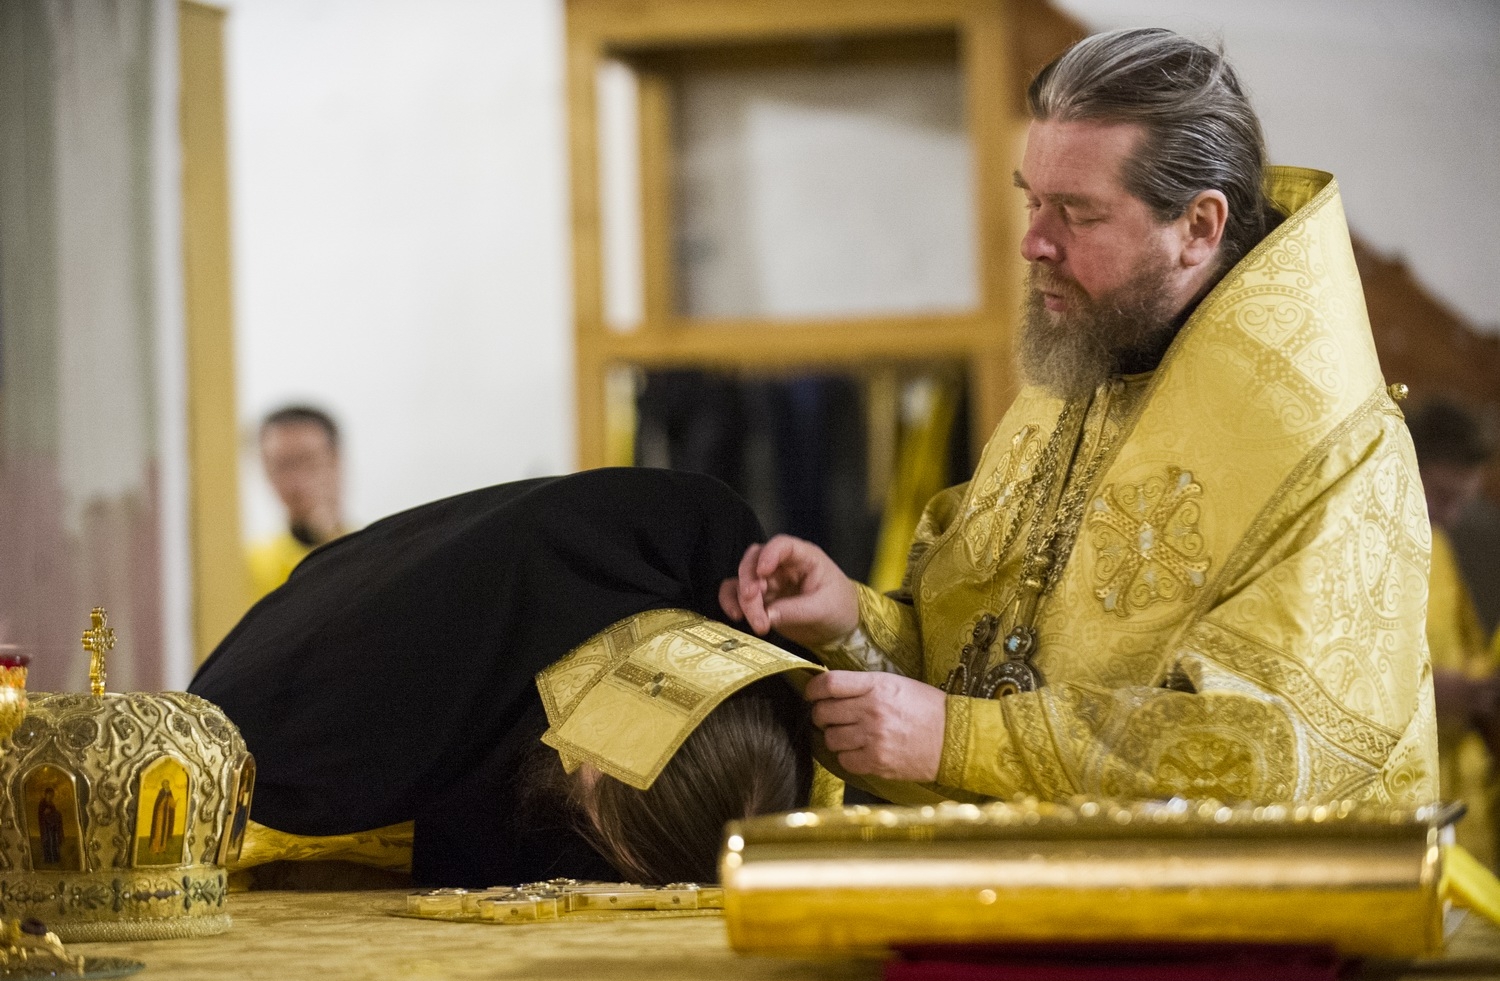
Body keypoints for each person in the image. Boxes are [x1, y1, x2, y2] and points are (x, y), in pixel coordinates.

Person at [722, 28, 1438, 807]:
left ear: (1198, 227)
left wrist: (961, 740)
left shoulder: (1333, 449)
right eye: (1033, 200)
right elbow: (982, 667)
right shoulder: (1086, 367)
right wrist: (846, 622)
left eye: (1077, 213)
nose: (1033, 242)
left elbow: (1277, 747)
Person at [192, 468, 819, 888]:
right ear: (603, 755)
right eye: (604, 822)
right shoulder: (361, 712)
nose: (584, 824)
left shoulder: (709, 560)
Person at [1409, 398, 1498, 863]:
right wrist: (1425, 695)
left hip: (1460, 788)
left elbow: (1468, 651)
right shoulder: (1363, 541)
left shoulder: (1438, 543)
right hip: (1409, 794)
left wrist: (1480, 688)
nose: (1452, 516)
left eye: (1464, 500)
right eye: (1442, 496)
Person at [247, 405, 348, 600]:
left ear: (335, 461)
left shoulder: (376, 550)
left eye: (307, 460)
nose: (296, 480)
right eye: (282, 465)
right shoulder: (248, 567)